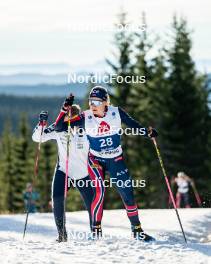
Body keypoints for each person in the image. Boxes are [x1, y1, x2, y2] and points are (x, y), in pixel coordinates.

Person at [55, 86, 158, 242]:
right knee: (100, 192)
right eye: (90, 102)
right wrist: (64, 109)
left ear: (105, 102)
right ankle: (96, 231)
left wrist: (148, 132)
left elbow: (133, 124)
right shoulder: (85, 117)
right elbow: (59, 127)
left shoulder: (116, 113)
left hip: (116, 159)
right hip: (96, 160)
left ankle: (137, 230)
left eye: (96, 102)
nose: (93, 105)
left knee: (127, 193)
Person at [32, 105, 94, 242]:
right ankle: (62, 235)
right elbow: (38, 138)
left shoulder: (87, 126)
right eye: (66, 118)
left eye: (71, 118)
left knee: (92, 204)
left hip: (83, 173)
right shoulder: (58, 126)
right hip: (64, 171)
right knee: (57, 200)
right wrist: (41, 124)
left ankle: (95, 233)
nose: (68, 121)